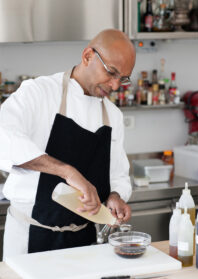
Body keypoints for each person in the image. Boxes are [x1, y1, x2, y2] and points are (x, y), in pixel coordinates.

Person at [0, 29, 136, 259]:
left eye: (122, 79)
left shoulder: (112, 115)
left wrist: (114, 196)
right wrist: (67, 172)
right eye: (111, 73)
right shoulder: (38, 93)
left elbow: (118, 174)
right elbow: (3, 138)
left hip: (83, 241)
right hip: (30, 238)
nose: (115, 86)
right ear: (87, 56)